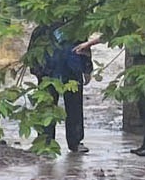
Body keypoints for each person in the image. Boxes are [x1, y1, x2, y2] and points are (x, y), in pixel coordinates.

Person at [28, 23, 98, 153]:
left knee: (75, 107)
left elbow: (85, 50)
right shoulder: (41, 30)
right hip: (48, 72)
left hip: (72, 71)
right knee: (47, 107)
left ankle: (76, 142)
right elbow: (31, 54)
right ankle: (45, 142)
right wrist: (37, 71)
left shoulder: (75, 27)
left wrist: (87, 69)